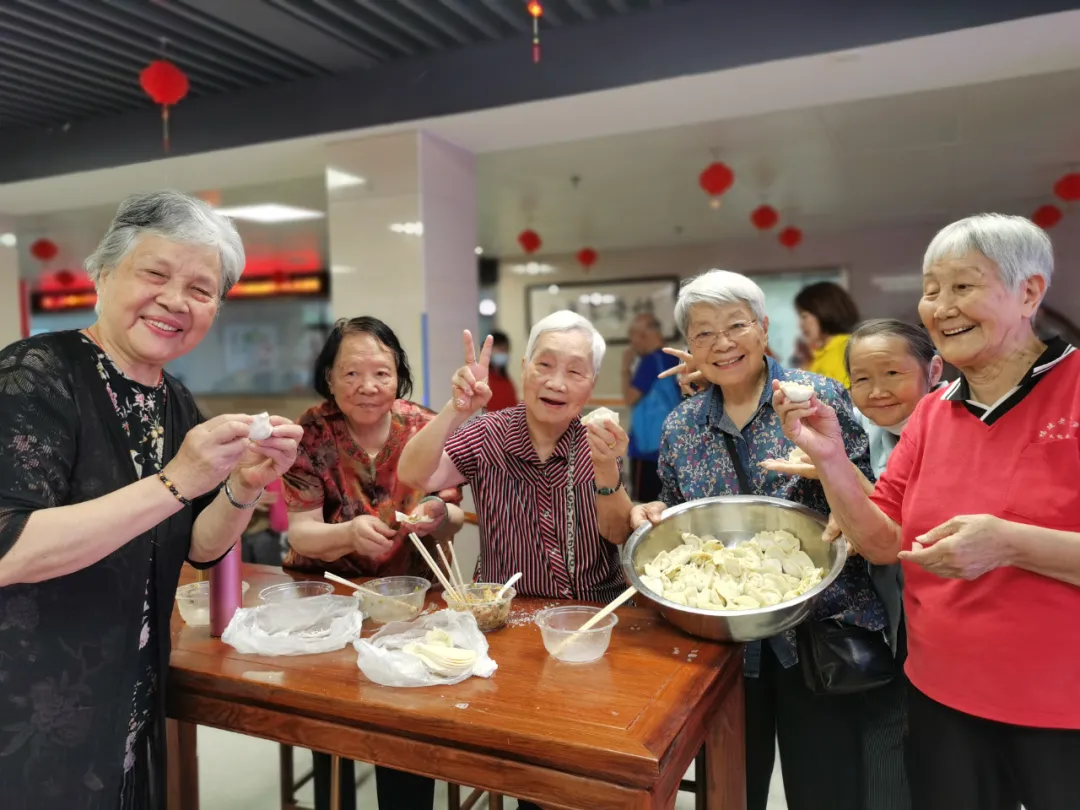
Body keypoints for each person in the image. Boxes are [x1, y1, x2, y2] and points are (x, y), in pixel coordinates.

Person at [0, 190, 304, 810]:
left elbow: (195, 545)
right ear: (104, 272)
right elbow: (10, 550)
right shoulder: (33, 374)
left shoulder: (174, 402)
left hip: (129, 698)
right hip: (29, 708)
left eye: (200, 289)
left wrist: (245, 485)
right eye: (156, 273)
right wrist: (177, 481)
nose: (175, 300)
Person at [774, 214, 1080, 810]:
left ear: (1029, 292)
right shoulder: (936, 411)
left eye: (962, 286)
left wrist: (1011, 543)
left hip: (1061, 709)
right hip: (940, 696)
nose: (940, 307)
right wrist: (832, 457)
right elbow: (883, 539)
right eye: (931, 289)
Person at [631, 270, 885, 810]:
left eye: (736, 325)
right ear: (691, 346)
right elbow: (681, 520)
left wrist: (827, 465)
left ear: (764, 327)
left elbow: (868, 506)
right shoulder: (681, 426)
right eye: (703, 334)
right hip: (724, 647)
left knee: (827, 790)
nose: (722, 344)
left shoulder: (816, 397)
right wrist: (652, 512)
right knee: (731, 790)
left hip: (820, 635)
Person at [281, 316, 465, 810]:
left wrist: (436, 514)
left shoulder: (423, 426)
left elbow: (453, 517)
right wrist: (346, 533)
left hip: (411, 602)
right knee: (331, 724)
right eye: (351, 374)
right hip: (329, 602)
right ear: (329, 378)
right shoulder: (311, 434)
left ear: (398, 375)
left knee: (405, 726)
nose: (368, 387)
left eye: (381, 373)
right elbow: (301, 532)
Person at [764, 318, 944, 810]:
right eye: (862, 379)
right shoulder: (869, 426)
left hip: (944, 618)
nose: (878, 391)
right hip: (891, 616)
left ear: (934, 370)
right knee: (886, 735)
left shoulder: (950, 429)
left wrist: (833, 468)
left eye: (891, 374)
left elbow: (904, 527)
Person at [622, 313, 681, 501]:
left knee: (644, 505)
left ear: (643, 335)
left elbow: (630, 398)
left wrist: (624, 368)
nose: (633, 343)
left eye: (633, 335)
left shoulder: (649, 362)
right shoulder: (672, 358)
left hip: (648, 450)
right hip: (672, 445)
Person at [795, 281, 860, 387]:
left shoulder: (845, 349)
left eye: (804, 316)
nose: (800, 324)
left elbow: (846, 397)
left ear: (823, 311)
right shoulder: (819, 354)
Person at [485, 330, 518, 411]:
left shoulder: (507, 381)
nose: (503, 353)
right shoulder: (484, 379)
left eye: (505, 349)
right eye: (500, 349)